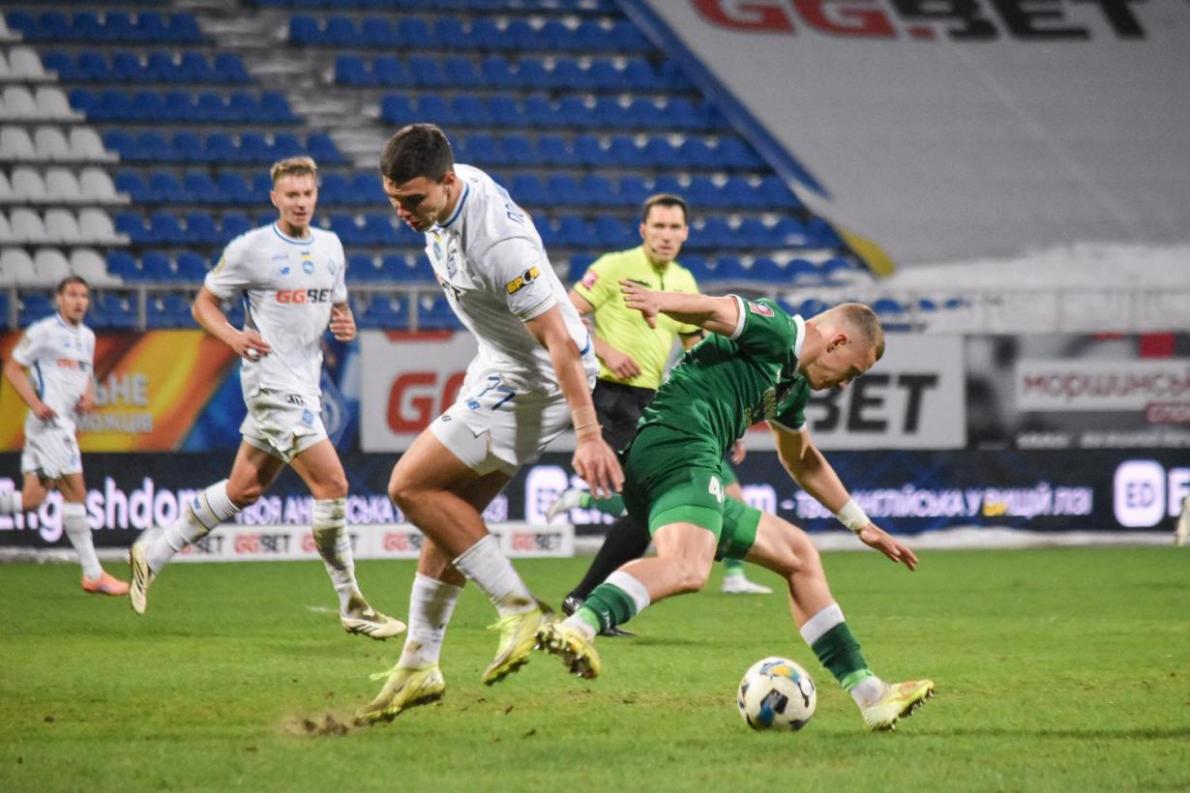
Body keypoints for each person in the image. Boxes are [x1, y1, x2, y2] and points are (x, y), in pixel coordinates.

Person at [537, 285, 935, 731]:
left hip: (675, 461)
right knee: (688, 568)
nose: (845, 385)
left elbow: (803, 460)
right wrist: (660, 302)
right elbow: (715, 310)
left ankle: (871, 696)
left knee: (798, 554)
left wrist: (861, 525)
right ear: (837, 341)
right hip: (678, 444)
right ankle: (576, 628)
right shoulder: (781, 330)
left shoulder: (792, 388)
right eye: (852, 373)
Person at [358, 123, 622, 723]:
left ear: (447, 183)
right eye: (393, 200)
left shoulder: (497, 243)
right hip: (501, 365)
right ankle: (419, 664)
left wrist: (588, 434)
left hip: (535, 380)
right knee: (449, 516)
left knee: (409, 485)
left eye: (413, 200)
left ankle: (518, 608)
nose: (402, 213)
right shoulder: (448, 196)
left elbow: (559, 340)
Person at [128, 156, 403, 641]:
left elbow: (337, 305)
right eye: (291, 195)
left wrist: (345, 322)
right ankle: (352, 604)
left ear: (316, 195)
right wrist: (233, 336)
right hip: (272, 384)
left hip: (306, 384)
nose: (300, 202)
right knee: (333, 484)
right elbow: (203, 305)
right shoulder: (251, 248)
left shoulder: (331, 246)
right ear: (275, 198)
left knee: (244, 489)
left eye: (307, 194)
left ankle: (154, 551)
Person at [545, 194, 771, 627]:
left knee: (644, 509)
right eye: (659, 226)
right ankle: (586, 598)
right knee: (646, 507)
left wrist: (728, 415)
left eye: (674, 228)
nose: (666, 235)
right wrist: (606, 351)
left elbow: (698, 350)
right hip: (608, 394)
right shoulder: (615, 266)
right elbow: (563, 317)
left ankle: (585, 598)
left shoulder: (684, 281)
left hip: (651, 400)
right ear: (643, 230)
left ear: (685, 233)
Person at [0, 277, 129, 595]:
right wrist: (35, 404)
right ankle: (93, 573)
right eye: (72, 294)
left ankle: (93, 574)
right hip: (50, 426)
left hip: (64, 425)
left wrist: (90, 394)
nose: (79, 301)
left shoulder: (88, 337)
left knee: (30, 500)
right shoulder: (43, 331)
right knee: (76, 492)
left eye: (84, 295)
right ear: (59, 299)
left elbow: (86, 373)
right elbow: (13, 368)